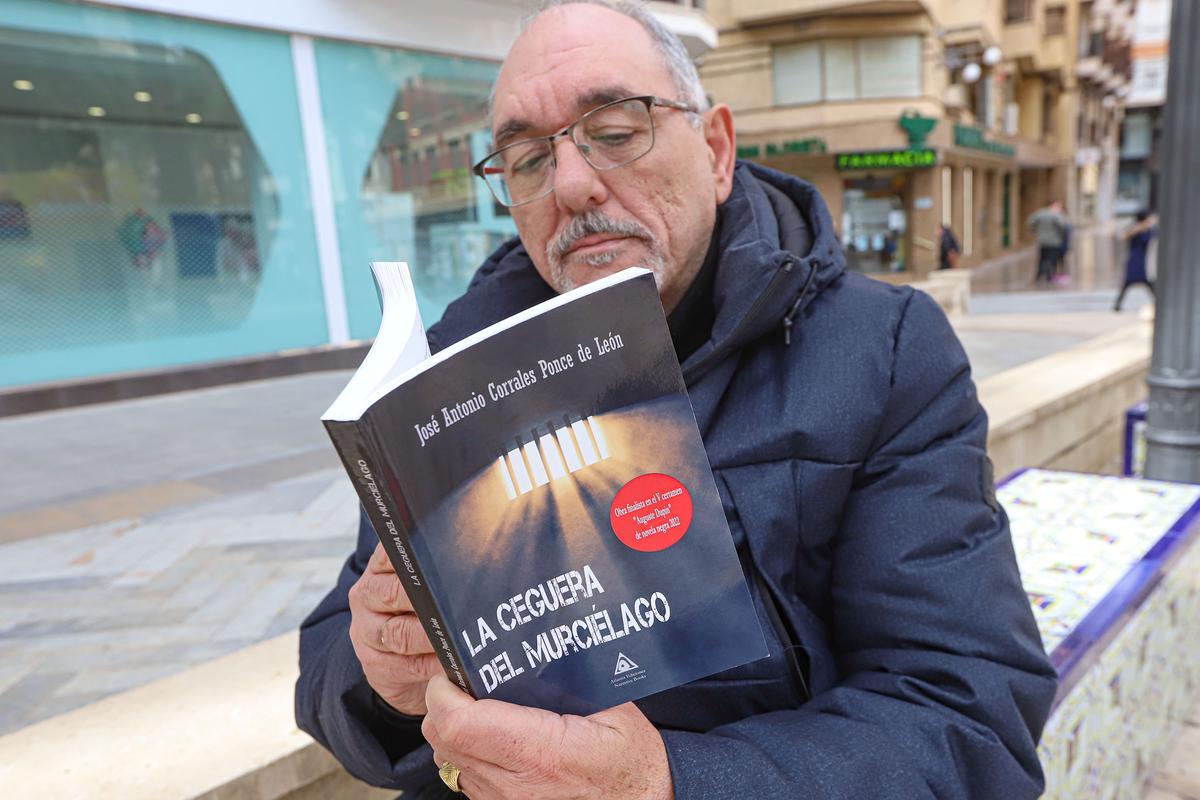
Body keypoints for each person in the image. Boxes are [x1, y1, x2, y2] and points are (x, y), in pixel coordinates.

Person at [295, 2, 1056, 798]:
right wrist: (377, 675)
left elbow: (971, 721)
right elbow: (324, 670)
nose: (573, 183)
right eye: (525, 159)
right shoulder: (455, 374)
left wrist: (670, 784)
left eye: (616, 130)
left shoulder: (884, 352)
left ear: (718, 150)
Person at [1114, 209, 1157, 312]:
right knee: (1127, 282)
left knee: (1148, 282)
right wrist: (1139, 228)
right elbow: (1122, 236)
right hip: (1134, 258)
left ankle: (1157, 300)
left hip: (1145, 259)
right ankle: (1118, 304)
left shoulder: (1150, 229)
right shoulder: (1135, 229)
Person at [1028, 200, 1067, 284]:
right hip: (1054, 241)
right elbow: (1062, 226)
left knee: (1042, 258)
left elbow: (1030, 222)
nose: (1059, 208)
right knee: (1051, 259)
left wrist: (1036, 231)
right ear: (1053, 205)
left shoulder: (1040, 213)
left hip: (1042, 240)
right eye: (1058, 206)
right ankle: (1049, 276)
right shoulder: (1056, 215)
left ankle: (1038, 276)